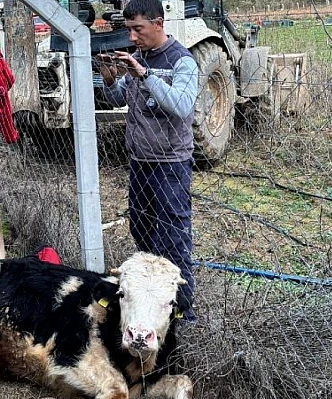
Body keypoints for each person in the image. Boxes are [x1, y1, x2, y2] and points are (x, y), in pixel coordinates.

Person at [98, 0, 199, 321]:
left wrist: (145, 74)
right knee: (142, 233)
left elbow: (181, 106)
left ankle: (183, 311)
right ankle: (151, 302)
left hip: (170, 165)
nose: (132, 37)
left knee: (173, 239)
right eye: (128, 29)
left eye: (137, 29)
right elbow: (117, 100)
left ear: (158, 23)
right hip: (140, 162)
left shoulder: (182, 61)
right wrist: (110, 78)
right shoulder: (138, 58)